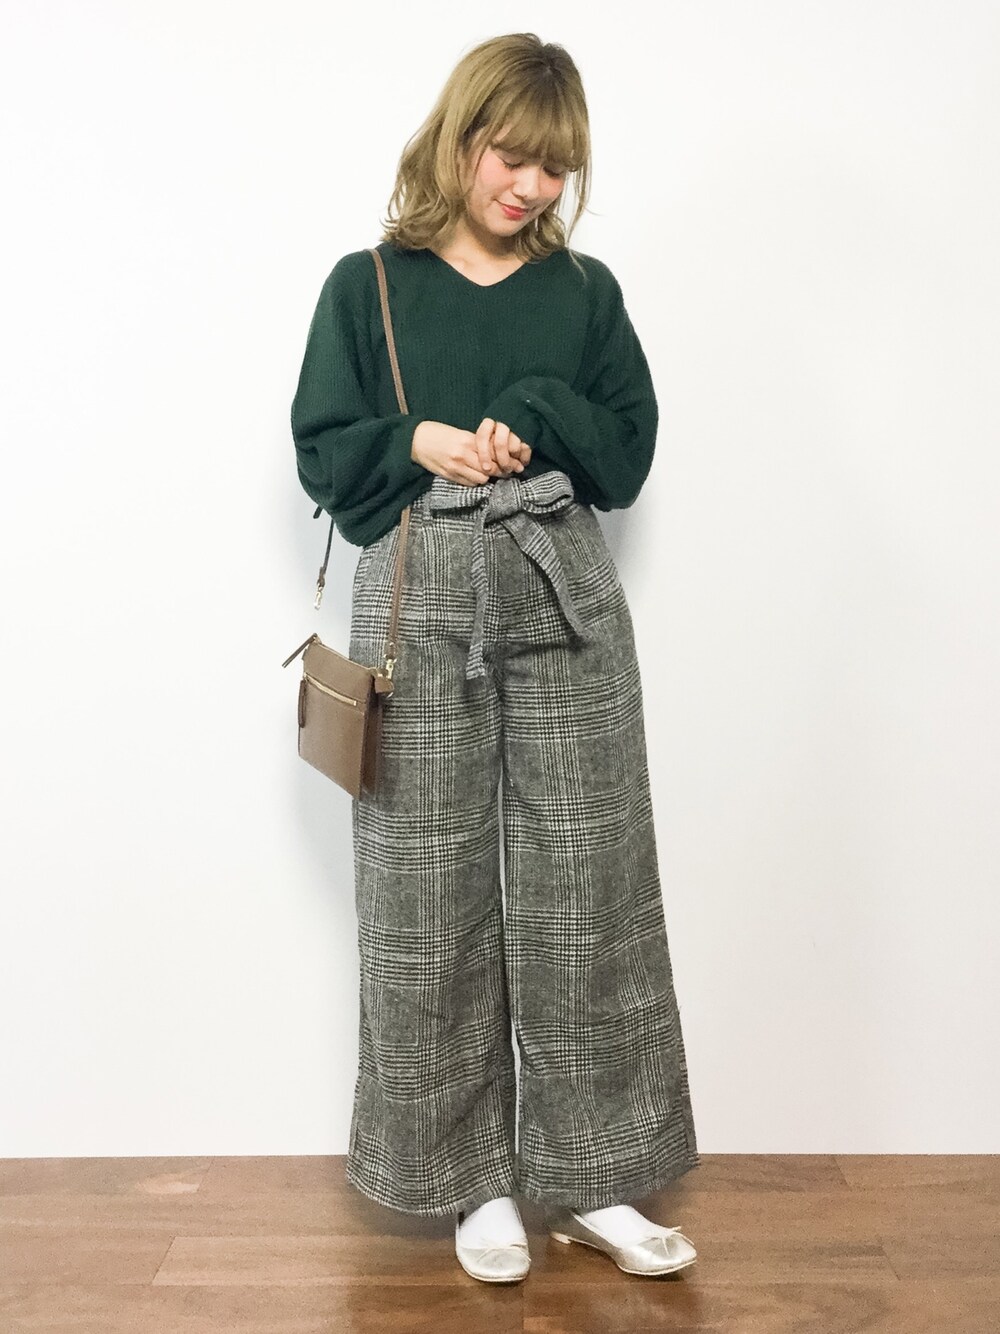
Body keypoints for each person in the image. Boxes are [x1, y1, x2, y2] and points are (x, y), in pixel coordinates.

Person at [290, 32, 700, 1284]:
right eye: (510, 155)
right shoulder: (367, 284)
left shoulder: (583, 292)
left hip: (560, 585)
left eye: (554, 167)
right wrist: (420, 438)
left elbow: (625, 452)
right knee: (427, 892)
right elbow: (324, 448)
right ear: (459, 137)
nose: (530, 186)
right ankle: (468, 1181)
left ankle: (592, 1173)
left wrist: (532, 408)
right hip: (418, 588)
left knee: (591, 880)